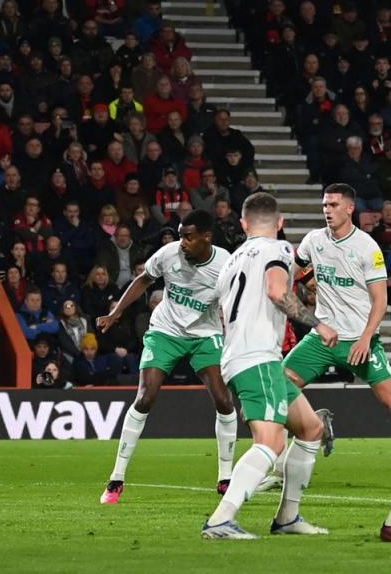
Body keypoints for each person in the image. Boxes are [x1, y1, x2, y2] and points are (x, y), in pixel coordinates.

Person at [202, 192, 334, 539]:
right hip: (256, 356)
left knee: (309, 428)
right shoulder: (278, 249)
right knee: (271, 442)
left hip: (243, 356)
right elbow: (277, 291)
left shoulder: (230, 262)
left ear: (244, 224)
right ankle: (220, 519)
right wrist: (318, 324)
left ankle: (288, 517)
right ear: (280, 223)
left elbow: (220, 313)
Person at [96, 210, 236, 504]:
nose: (182, 242)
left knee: (224, 401)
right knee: (145, 398)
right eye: (181, 235)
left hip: (205, 334)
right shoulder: (169, 254)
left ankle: (225, 478)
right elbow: (143, 280)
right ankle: (116, 478)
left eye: (188, 236)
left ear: (206, 238)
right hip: (166, 331)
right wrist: (116, 312)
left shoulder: (225, 264)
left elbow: (235, 304)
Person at [261, 185, 390, 493]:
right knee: (278, 389)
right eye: (324, 205)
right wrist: (299, 284)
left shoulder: (366, 247)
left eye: (333, 205)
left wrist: (366, 339)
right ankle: (284, 465)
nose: (327, 210)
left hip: (358, 340)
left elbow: (380, 300)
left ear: (349, 208)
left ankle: (311, 425)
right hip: (321, 339)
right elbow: (293, 271)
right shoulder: (313, 240)